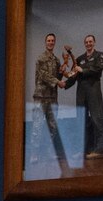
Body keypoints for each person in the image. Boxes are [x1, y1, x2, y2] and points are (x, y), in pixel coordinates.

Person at [34, 32, 72, 174]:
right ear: (45, 42)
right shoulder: (41, 58)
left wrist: (62, 71)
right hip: (41, 97)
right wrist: (58, 82)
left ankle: (47, 153)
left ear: (54, 43)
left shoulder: (56, 60)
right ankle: (34, 154)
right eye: (48, 40)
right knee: (37, 126)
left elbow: (57, 76)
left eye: (52, 41)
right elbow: (44, 75)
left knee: (52, 127)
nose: (50, 42)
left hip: (52, 98)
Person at [72, 35, 103, 159]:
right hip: (81, 93)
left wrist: (82, 70)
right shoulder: (80, 59)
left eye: (90, 41)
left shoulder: (99, 55)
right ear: (84, 44)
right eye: (86, 42)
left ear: (94, 43)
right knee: (81, 122)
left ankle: (99, 150)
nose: (88, 44)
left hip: (93, 92)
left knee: (97, 119)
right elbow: (75, 75)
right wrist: (64, 83)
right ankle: (82, 150)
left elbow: (98, 69)